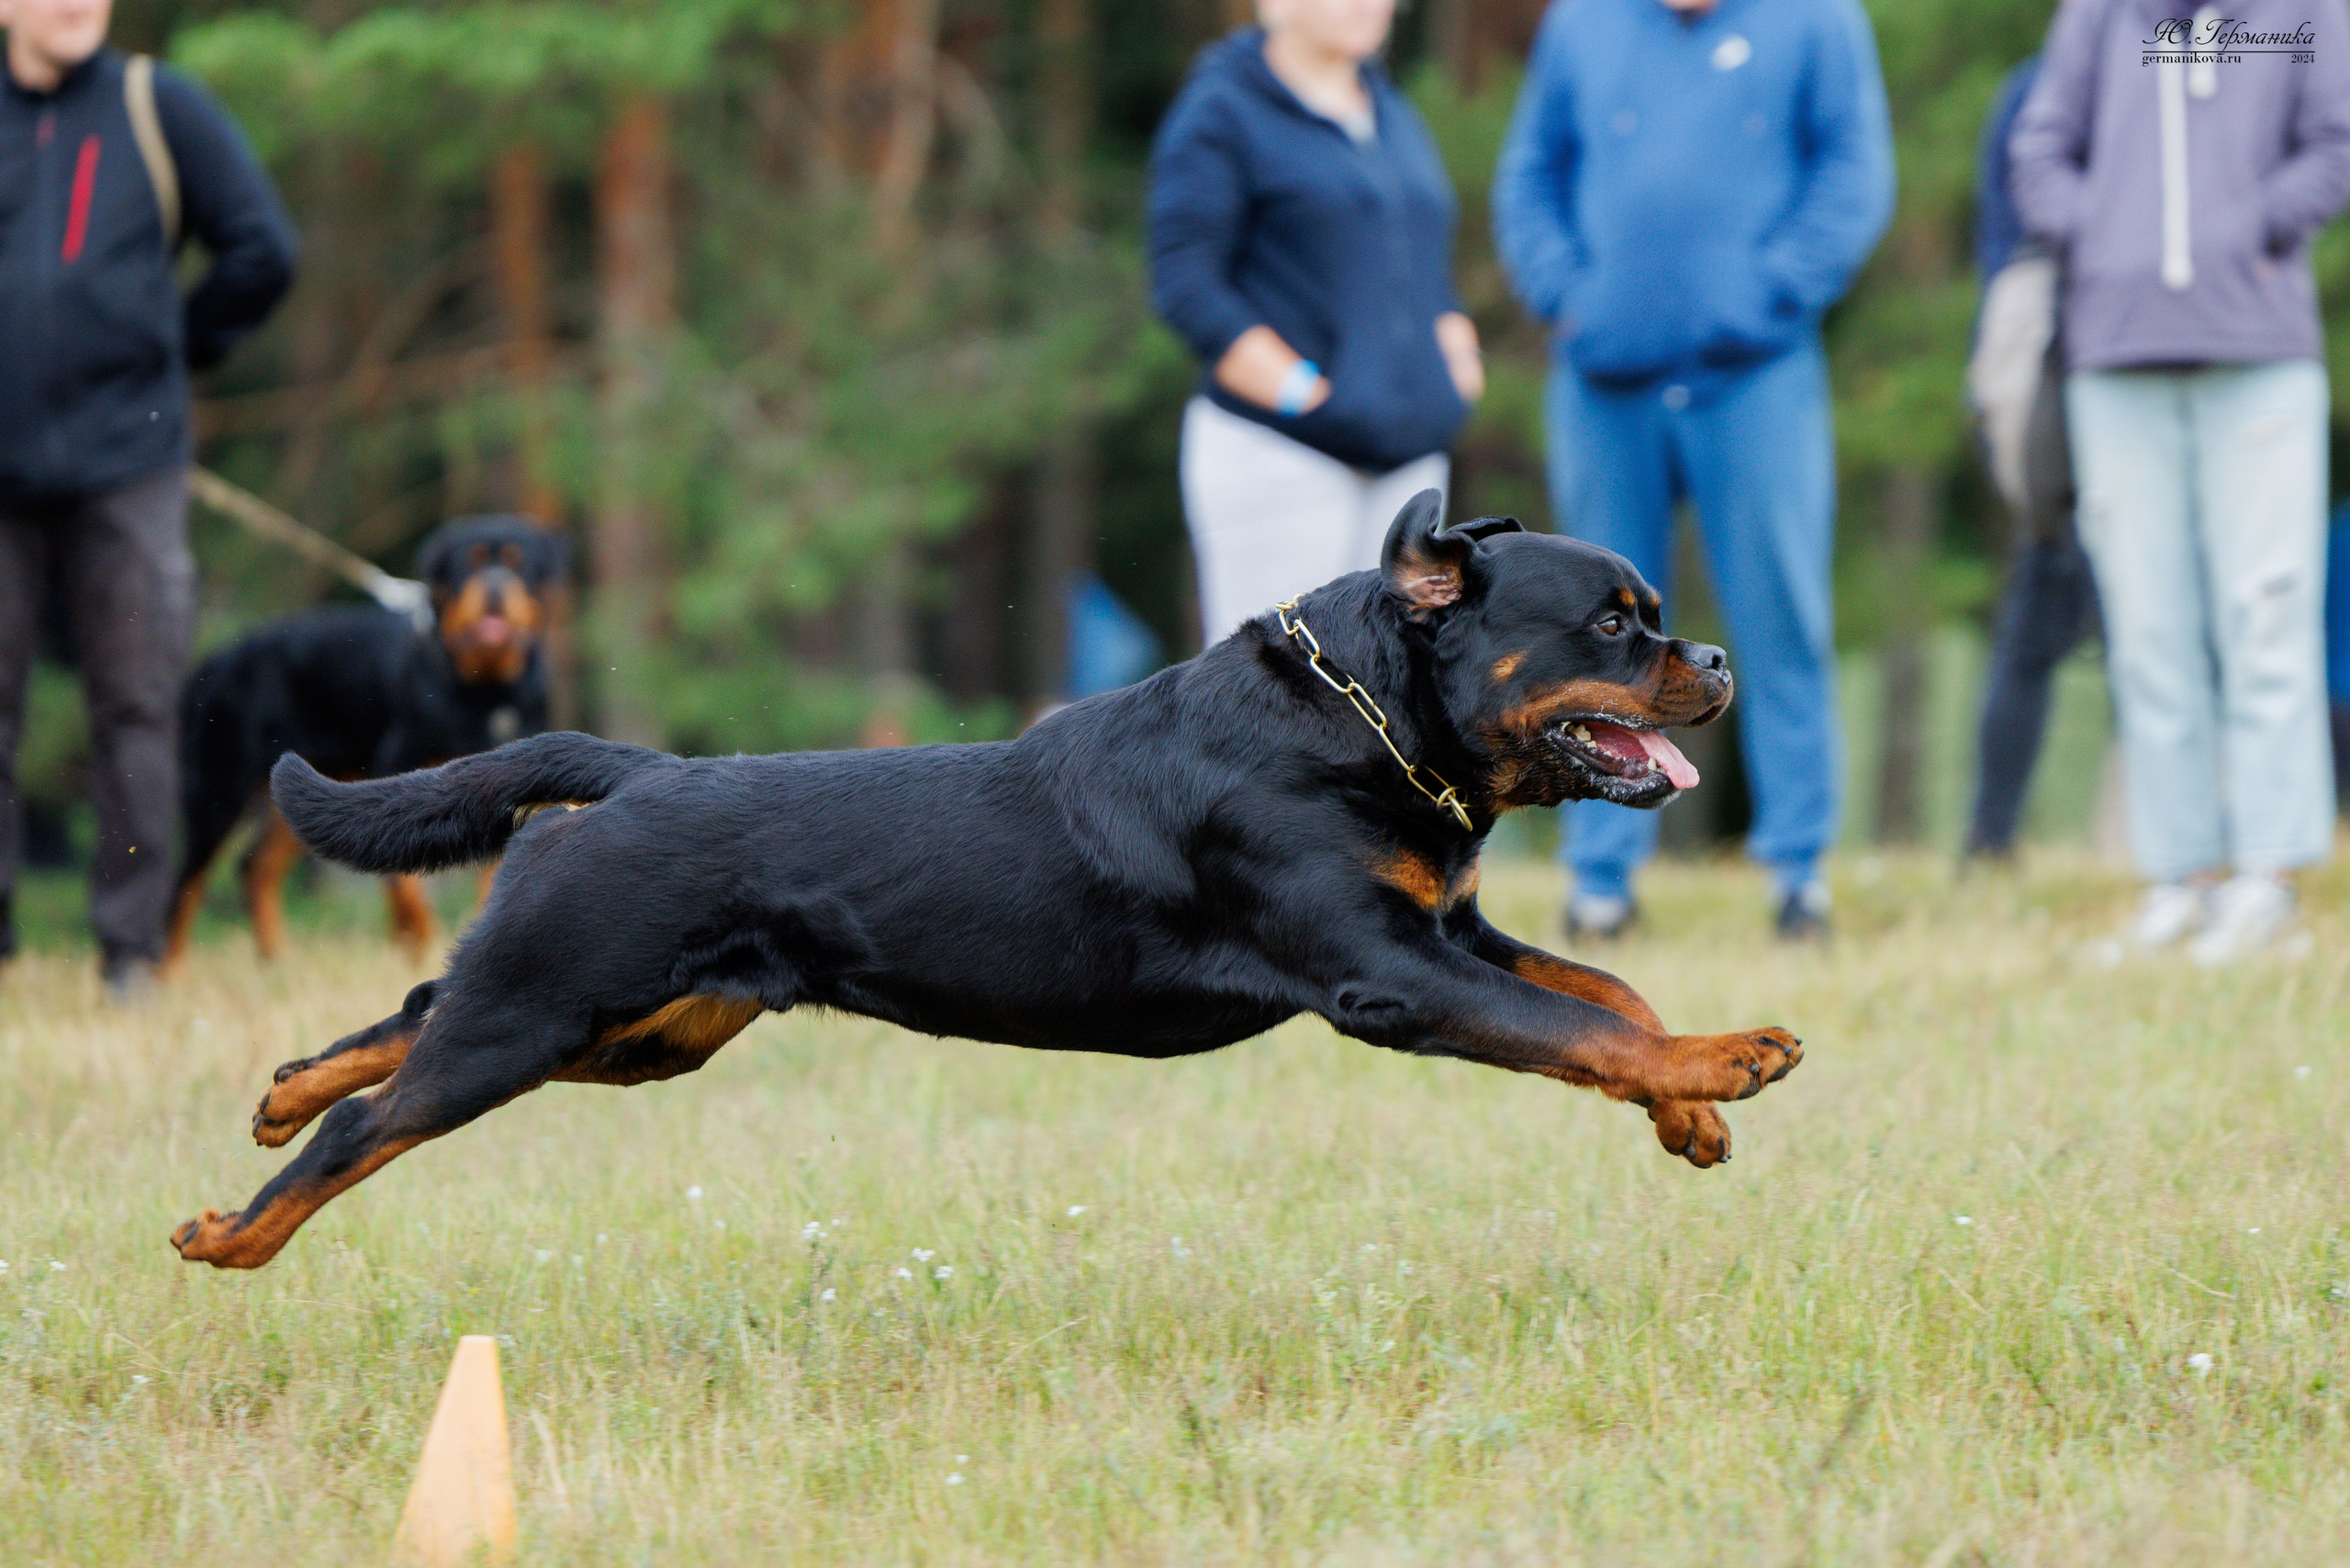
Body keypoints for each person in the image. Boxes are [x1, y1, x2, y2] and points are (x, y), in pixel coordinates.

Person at [1492, 0, 1892, 940]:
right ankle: (1600, 878)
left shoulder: (1818, 21)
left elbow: (1853, 172)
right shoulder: (1580, 25)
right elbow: (1528, 175)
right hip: (1603, 384)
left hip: (1753, 378)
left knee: (1780, 615)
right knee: (1587, 643)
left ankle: (1798, 871)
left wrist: (1770, 291)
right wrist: (1566, 295)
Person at [2010, 0, 2350, 965]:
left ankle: (2270, 879)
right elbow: (2038, 149)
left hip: (2259, 353)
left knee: (2265, 610)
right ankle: (2180, 877)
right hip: (2115, 359)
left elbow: (2333, 142)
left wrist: (2241, 231)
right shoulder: (2101, 15)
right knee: (2149, 626)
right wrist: (2107, 240)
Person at [0, 0, 297, 993]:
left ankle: (130, 955)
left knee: (136, 706)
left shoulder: (157, 105)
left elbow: (263, 249)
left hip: (130, 466)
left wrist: (174, 355)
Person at [1148, 0, 1483, 645]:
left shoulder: (1391, 112)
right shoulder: (1222, 111)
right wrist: (1304, 394)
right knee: (1280, 697)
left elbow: (1424, 264)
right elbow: (1186, 283)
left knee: (1401, 696)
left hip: (1408, 464)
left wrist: (1457, 371)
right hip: (1283, 458)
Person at [1961, 53, 2099, 862]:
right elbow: (2006, 256)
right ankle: (1990, 836)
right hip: (2055, 359)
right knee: (2040, 600)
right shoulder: (2037, 86)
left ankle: (1995, 836)